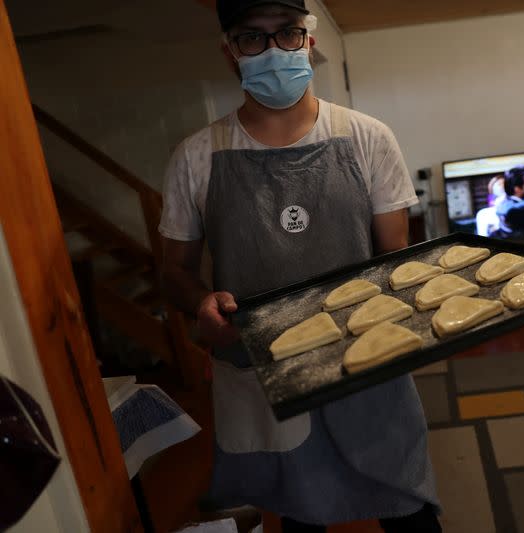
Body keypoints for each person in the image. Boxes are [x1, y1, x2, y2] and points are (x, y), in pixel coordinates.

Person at [158, 1, 441, 531]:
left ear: (308, 41)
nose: (272, 51)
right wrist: (199, 301)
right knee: (299, 514)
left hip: (366, 365)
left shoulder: (367, 139)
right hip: (267, 376)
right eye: (252, 38)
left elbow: (394, 265)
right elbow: (174, 269)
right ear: (230, 53)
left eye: (286, 33)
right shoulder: (195, 158)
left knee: (409, 509)